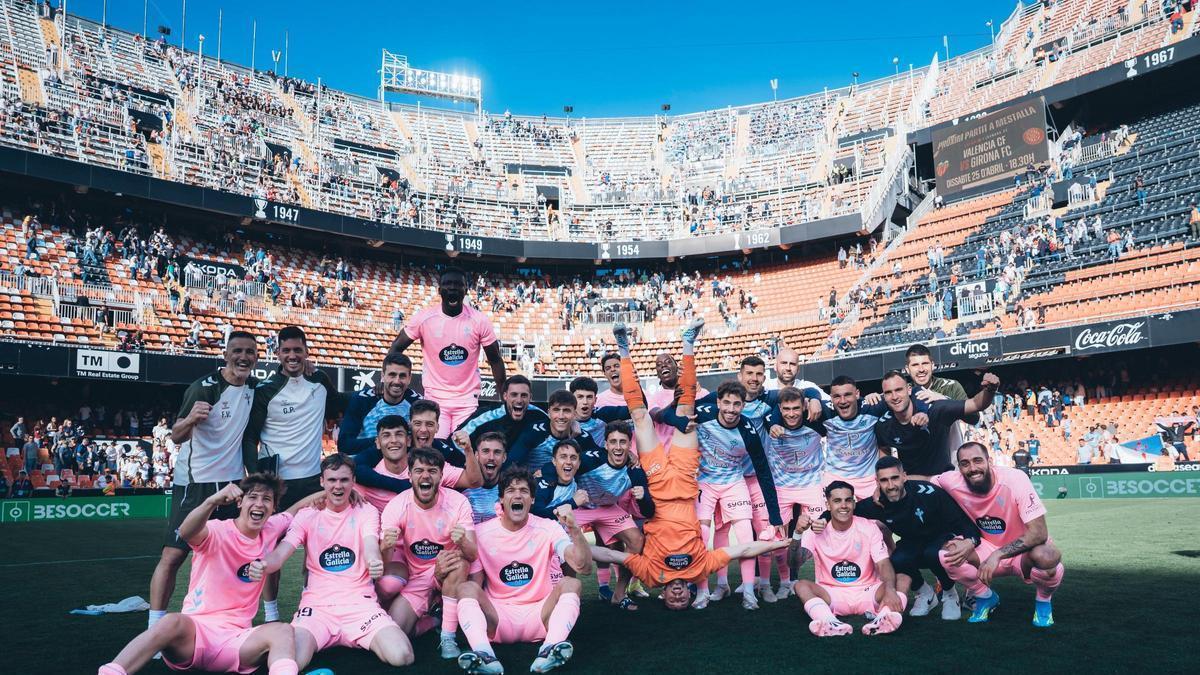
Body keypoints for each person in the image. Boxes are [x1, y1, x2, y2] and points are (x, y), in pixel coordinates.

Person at [586, 320, 788, 611]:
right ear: (691, 595)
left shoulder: (652, 575)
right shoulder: (696, 570)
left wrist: (565, 547)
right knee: (687, 408)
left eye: (673, 599)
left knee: (639, 416)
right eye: (683, 599)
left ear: (664, 596)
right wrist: (774, 544)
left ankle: (623, 349)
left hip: (655, 485)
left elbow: (613, 556)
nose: (678, 595)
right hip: (684, 480)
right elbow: (740, 549)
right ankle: (689, 342)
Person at [99, 474, 306, 675]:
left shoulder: (272, 527)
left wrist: (329, 491)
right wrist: (211, 501)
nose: (259, 504)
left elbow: (296, 509)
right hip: (193, 637)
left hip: (236, 641)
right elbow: (186, 532)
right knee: (171, 621)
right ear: (240, 502)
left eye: (266, 499)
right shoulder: (217, 530)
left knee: (282, 631)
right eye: (253, 497)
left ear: (273, 508)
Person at [251, 454, 413, 668]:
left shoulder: (367, 511)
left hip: (360, 605)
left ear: (353, 481)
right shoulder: (307, 515)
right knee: (291, 660)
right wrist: (264, 565)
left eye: (344, 480)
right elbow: (281, 554)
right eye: (332, 480)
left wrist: (374, 560)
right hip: (317, 608)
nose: (338, 486)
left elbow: (371, 545)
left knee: (402, 655)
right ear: (322, 482)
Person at [148, 331, 259, 634]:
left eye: (250, 352)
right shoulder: (204, 388)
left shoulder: (253, 387)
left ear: (257, 358)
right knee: (173, 554)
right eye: (237, 351)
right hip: (196, 482)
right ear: (225, 355)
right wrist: (190, 419)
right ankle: (154, 629)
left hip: (232, 482)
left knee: (233, 554)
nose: (243, 357)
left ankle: (227, 620)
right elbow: (176, 435)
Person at [453, 467, 592, 674]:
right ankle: (484, 654)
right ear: (501, 498)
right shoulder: (482, 533)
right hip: (498, 619)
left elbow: (584, 566)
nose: (517, 494)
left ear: (532, 500)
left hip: (541, 615)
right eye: (510, 490)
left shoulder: (548, 527)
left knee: (572, 583)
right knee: (466, 588)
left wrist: (574, 530)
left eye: (524, 491)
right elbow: (475, 583)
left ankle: (549, 649)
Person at [241, 326, 338, 621]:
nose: (293, 356)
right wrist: (257, 477)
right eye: (287, 350)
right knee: (271, 550)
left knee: (316, 548)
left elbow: (338, 405)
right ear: (278, 353)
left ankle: (314, 608)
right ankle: (271, 615)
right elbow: (249, 437)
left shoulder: (320, 381)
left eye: (298, 350)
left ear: (306, 351)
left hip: (311, 481)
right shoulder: (266, 391)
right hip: (278, 483)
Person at [934, 442, 1064, 628]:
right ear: (959, 468)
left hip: (1022, 552)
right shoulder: (952, 480)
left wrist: (998, 554)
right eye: (965, 463)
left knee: (1048, 556)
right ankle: (985, 597)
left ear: (989, 461)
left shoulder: (1014, 478)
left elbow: (1039, 533)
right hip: (986, 547)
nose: (972, 468)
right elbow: (922, 480)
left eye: (977, 460)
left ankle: (1043, 601)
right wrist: (877, 485)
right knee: (948, 554)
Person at [846, 456, 981, 620]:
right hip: (912, 543)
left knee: (933, 553)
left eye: (895, 478)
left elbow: (962, 521)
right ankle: (925, 593)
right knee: (897, 559)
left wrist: (971, 540)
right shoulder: (877, 503)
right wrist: (823, 519)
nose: (890, 485)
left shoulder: (928, 493)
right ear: (877, 482)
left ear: (904, 476)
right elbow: (848, 510)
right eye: (884, 480)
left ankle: (949, 594)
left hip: (939, 538)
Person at [380, 447, 477, 659]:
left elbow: (473, 554)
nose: (425, 476)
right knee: (396, 631)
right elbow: (383, 563)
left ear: (441, 476)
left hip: (450, 572)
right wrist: (385, 548)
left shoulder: (457, 502)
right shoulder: (397, 506)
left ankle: (448, 638)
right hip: (418, 578)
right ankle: (435, 618)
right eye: (419, 470)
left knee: (459, 563)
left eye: (432, 471)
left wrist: (462, 542)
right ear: (409, 475)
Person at [545, 421, 654, 610]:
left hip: (608, 507)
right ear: (605, 445)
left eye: (623, 442)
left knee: (637, 540)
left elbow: (649, 512)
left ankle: (620, 595)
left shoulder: (634, 471)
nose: (618, 447)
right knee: (565, 541)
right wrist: (544, 473)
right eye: (613, 442)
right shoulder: (591, 460)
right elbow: (560, 466)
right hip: (580, 507)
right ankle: (568, 596)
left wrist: (643, 498)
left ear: (630, 445)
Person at [390, 267, 507, 435]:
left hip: (467, 401)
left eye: (458, 284)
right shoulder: (424, 318)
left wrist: (504, 395)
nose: (452, 288)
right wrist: (387, 379)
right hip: (435, 399)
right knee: (436, 451)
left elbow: (495, 360)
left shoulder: (479, 321)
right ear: (439, 290)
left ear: (466, 290)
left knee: (463, 451)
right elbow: (396, 347)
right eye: (447, 284)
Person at [787, 481, 906, 637]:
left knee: (903, 578)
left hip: (868, 592)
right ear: (828, 505)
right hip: (832, 594)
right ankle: (829, 621)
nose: (844, 505)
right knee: (801, 585)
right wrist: (797, 533)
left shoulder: (868, 527)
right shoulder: (816, 530)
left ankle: (883, 617)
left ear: (854, 503)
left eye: (848, 500)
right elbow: (793, 563)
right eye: (837, 501)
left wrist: (890, 589)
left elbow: (883, 564)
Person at [758, 385, 827, 601]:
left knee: (822, 533)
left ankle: (825, 582)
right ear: (779, 408)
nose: (791, 414)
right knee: (773, 536)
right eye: (786, 409)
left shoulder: (816, 419)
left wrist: (815, 397)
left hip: (811, 485)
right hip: (782, 487)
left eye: (796, 408)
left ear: (804, 406)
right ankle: (782, 583)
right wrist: (772, 424)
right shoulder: (771, 420)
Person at [874, 370, 1000, 479]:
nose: (894, 396)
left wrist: (990, 389)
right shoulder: (883, 426)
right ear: (883, 396)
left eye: (898, 390)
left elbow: (976, 404)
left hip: (943, 482)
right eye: (888, 392)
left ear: (909, 389)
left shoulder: (936, 409)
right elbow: (884, 449)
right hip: (913, 485)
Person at [337, 353, 422, 455]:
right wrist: (383, 441)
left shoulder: (417, 403)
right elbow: (344, 445)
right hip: (367, 462)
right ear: (383, 376)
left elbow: (424, 441)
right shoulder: (362, 400)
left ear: (409, 378)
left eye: (402, 376)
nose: (397, 381)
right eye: (392, 375)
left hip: (404, 465)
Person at [506, 389, 603, 472]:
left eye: (566, 411)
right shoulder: (535, 432)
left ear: (574, 414)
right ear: (549, 413)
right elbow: (511, 462)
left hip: (564, 488)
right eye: (556, 410)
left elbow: (601, 458)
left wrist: (549, 471)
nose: (561, 416)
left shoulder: (581, 436)